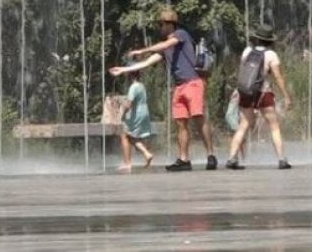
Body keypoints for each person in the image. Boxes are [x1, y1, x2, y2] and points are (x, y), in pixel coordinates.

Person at [110, 9, 216, 172]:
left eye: (161, 24)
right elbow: (148, 62)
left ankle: (210, 155)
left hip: (193, 83)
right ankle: (183, 159)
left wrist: (142, 50)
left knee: (199, 119)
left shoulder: (181, 34)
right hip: (179, 87)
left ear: (170, 24)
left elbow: (167, 44)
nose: (159, 27)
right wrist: (123, 70)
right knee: (181, 124)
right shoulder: (165, 47)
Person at [226, 24, 294, 170]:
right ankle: (282, 159)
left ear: (257, 38)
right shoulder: (271, 55)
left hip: (246, 92)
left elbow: (243, 72)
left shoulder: (247, 51)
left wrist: (238, 90)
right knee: (274, 126)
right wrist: (286, 96)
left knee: (244, 125)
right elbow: (278, 77)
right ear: (270, 40)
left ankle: (232, 158)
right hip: (264, 93)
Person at [117, 67, 154, 173]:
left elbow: (129, 104)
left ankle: (128, 163)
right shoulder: (142, 86)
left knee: (124, 134)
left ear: (130, 76)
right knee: (130, 135)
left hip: (137, 113)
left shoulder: (133, 87)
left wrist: (121, 114)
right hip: (144, 112)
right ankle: (146, 154)